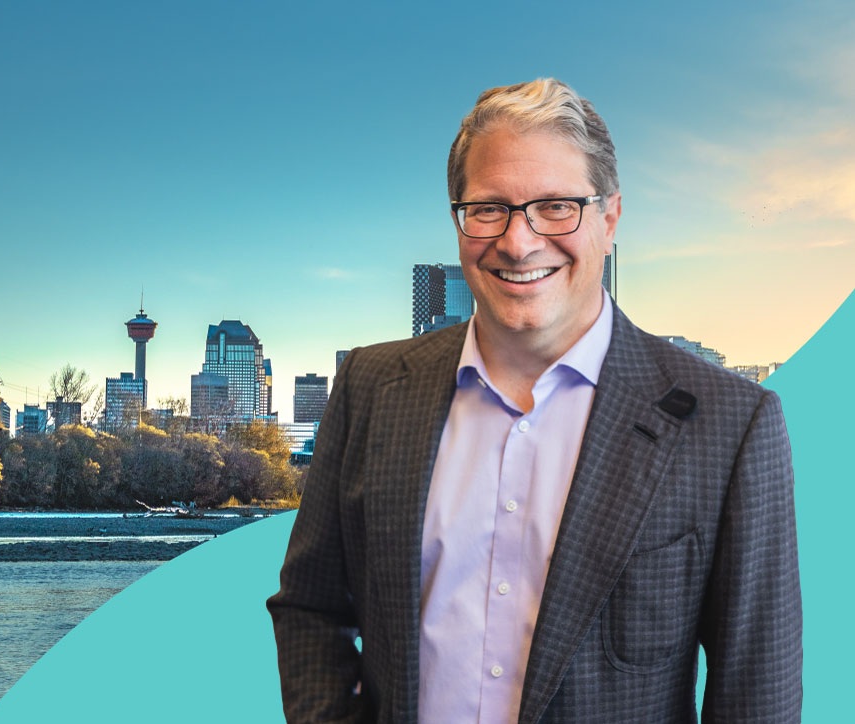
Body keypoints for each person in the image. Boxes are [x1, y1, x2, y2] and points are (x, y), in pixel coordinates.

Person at [267, 78, 802, 724]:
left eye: (556, 207)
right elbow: (310, 607)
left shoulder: (728, 425)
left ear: (610, 218)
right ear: (458, 220)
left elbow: (757, 695)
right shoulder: (370, 388)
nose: (518, 242)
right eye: (488, 208)